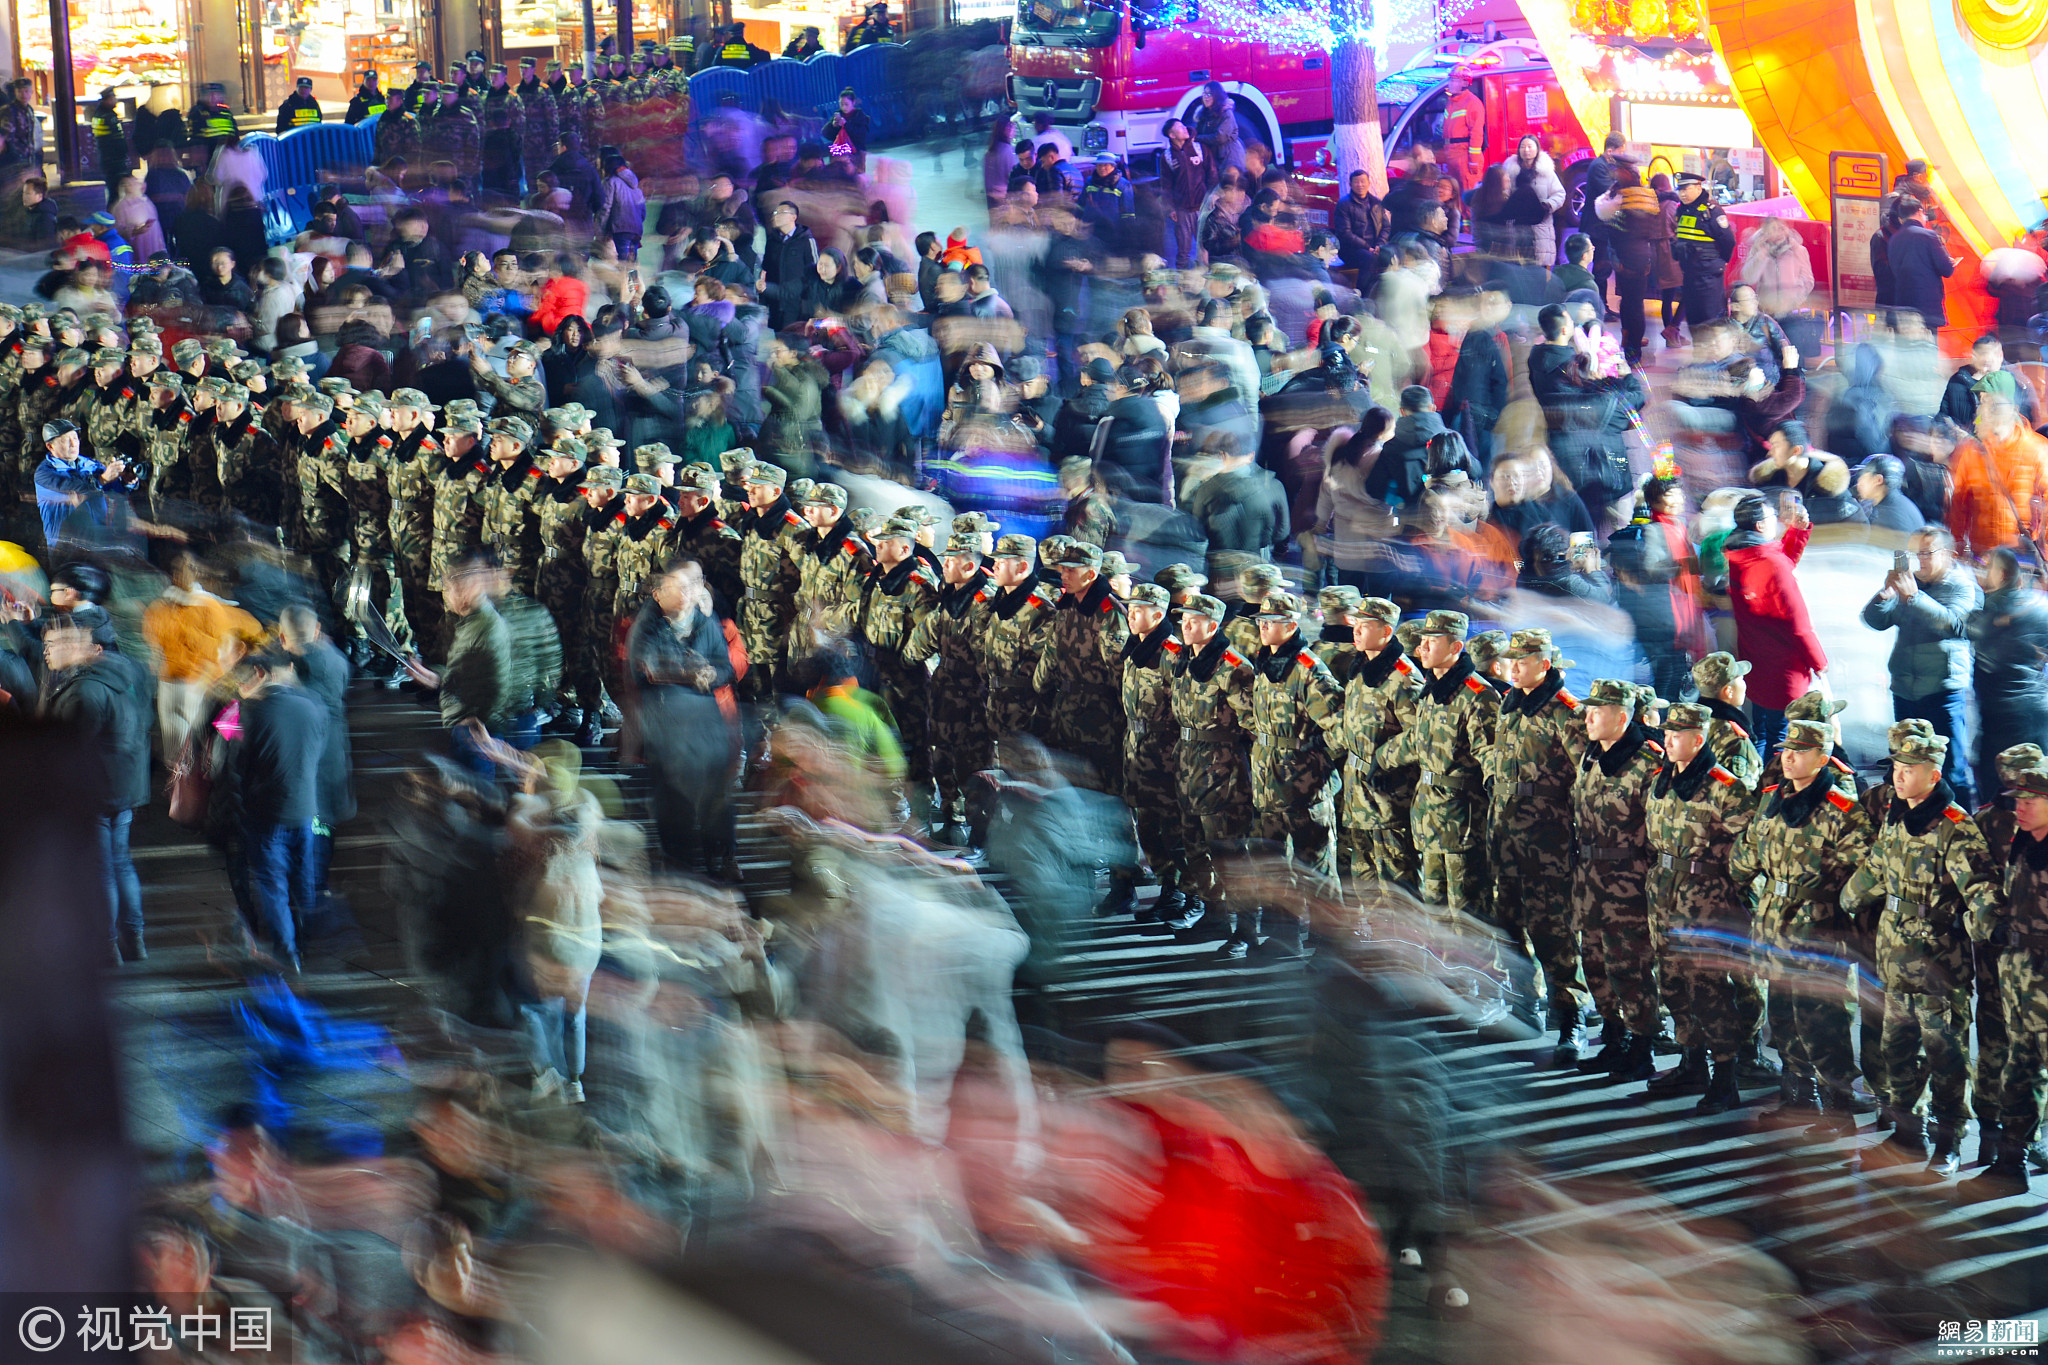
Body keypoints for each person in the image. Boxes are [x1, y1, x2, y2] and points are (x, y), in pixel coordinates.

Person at [1841, 727, 1994, 1176]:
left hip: (1937, 968)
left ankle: (1948, 1142)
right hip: (1894, 961)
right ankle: (1908, 1133)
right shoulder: (1896, 815)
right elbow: (1875, 867)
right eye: (1896, 770)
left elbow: (1982, 891)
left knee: (1945, 1057)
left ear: (1933, 773)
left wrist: (1972, 927)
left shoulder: (1954, 826)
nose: (1899, 778)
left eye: (1909, 771)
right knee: (1897, 1052)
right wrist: (1850, 897)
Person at [38, 619, 152, 964]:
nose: (46, 651)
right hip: (123, 786)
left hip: (95, 792)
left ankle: (107, 945)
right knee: (121, 864)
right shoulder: (120, 677)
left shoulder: (85, 691)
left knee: (103, 870)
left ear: (81, 647)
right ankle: (134, 939)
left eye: (55, 643)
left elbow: (68, 749)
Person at [628, 560, 737, 876]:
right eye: (680, 587)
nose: (688, 594)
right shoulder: (647, 626)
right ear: (659, 594)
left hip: (705, 722)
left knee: (717, 788)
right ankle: (679, 857)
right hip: (666, 723)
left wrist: (711, 674)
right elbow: (643, 671)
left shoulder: (705, 620)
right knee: (672, 791)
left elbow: (726, 667)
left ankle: (723, 853)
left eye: (691, 586)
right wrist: (688, 674)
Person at [232, 650, 328, 973]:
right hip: (306, 808)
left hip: (266, 813)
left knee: (273, 883)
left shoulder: (249, 713)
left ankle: (287, 952)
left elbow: (236, 763)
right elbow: (319, 751)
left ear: (259, 674)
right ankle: (306, 936)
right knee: (304, 876)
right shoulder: (313, 706)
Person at [1721, 491, 1825, 760]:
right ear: (1760, 526)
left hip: (1756, 659)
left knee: (1762, 730)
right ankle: (1769, 792)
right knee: (1781, 739)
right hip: (1783, 667)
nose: (1777, 520)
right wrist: (1819, 661)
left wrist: (1796, 532)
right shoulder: (1770, 562)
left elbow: (1777, 563)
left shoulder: (1740, 555)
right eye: (1772, 517)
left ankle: (1754, 785)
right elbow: (1798, 623)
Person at [140, 551, 263, 762]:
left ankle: (198, 776)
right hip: (174, 681)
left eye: (186, 570)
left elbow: (218, 646)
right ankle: (184, 779)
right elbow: (154, 639)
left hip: (197, 684)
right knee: (179, 745)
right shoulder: (163, 607)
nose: (181, 575)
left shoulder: (209, 608)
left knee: (199, 741)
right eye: (178, 571)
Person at [1671, 171, 1733, 328]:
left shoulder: (1712, 211)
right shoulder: (1682, 211)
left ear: (1699, 188)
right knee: (1694, 321)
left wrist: (1719, 262)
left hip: (1709, 277)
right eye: (1680, 190)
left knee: (1712, 321)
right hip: (1689, 275)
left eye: (1687, 189)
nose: (1682, 194)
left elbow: (1728, 241)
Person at [1886, 198, 1954, 331]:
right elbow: (1946, 269)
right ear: (1919, 212)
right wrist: (1950, 262)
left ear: (1901, 218)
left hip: (1902, 304)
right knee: (1927, 347)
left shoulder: (1894, 239)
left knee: (1907, 347)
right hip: (1927, 308)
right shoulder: (1929, 236)